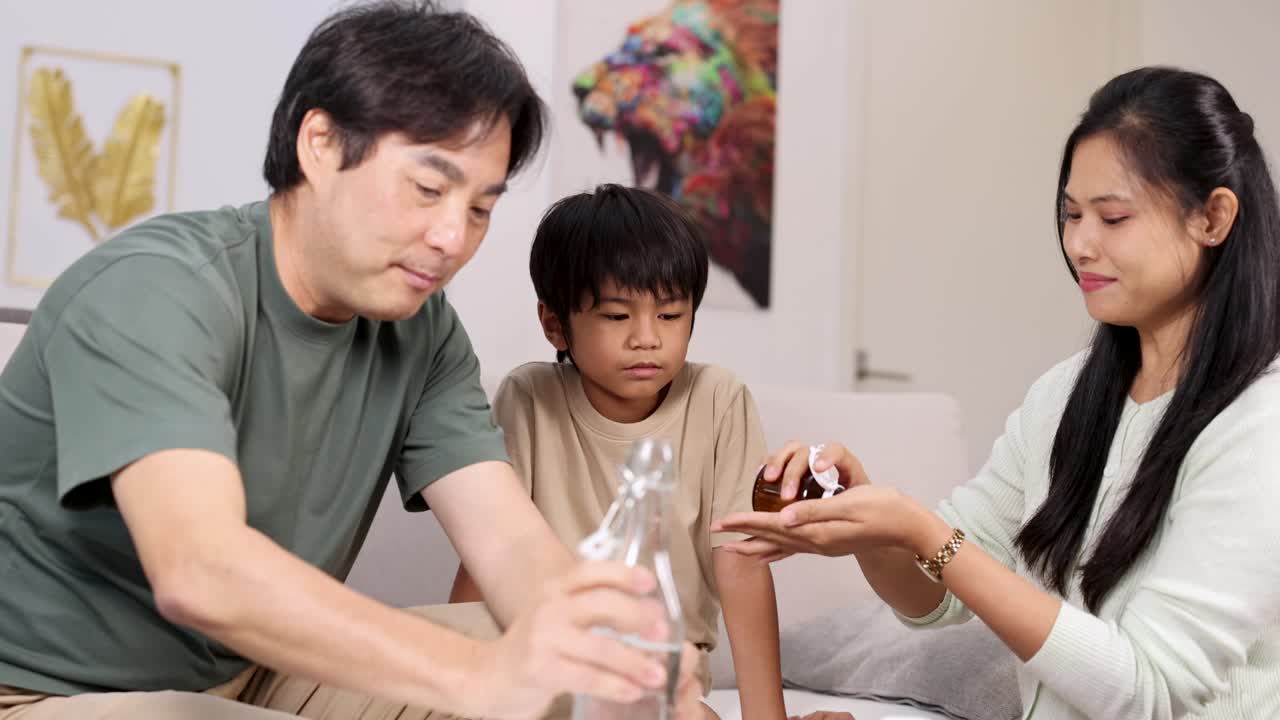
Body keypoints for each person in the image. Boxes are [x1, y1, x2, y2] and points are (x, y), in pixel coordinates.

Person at [0, 3, 704, 719]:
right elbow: (199, 571)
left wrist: (613, 645)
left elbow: (509, 544)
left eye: (482, 207)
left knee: (580, 672)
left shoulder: (426, 333)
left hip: (258, 672)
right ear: (321, 144)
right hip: (43, 691)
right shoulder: (157, 288)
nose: (453, 237)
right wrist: (475, 677)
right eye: (429, 189)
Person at [714, 66, 1280, 720]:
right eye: (1070, 214)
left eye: (1113, 217)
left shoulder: (1258, 426)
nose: (1080, 244)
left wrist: (922, 528)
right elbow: (934, 599)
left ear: (1212, 217)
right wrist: (870, 525)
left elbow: (1146, 690)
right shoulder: (1065, 396)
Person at [449, 185, 851, 720]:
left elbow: (740, 564)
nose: (647, 339)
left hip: (661, 678)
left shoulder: (719, 400)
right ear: (554, 324)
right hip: (547, 664)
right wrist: (459, 689)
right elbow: (488, 548)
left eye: (669, 315)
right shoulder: (530, 398)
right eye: (617, 317)